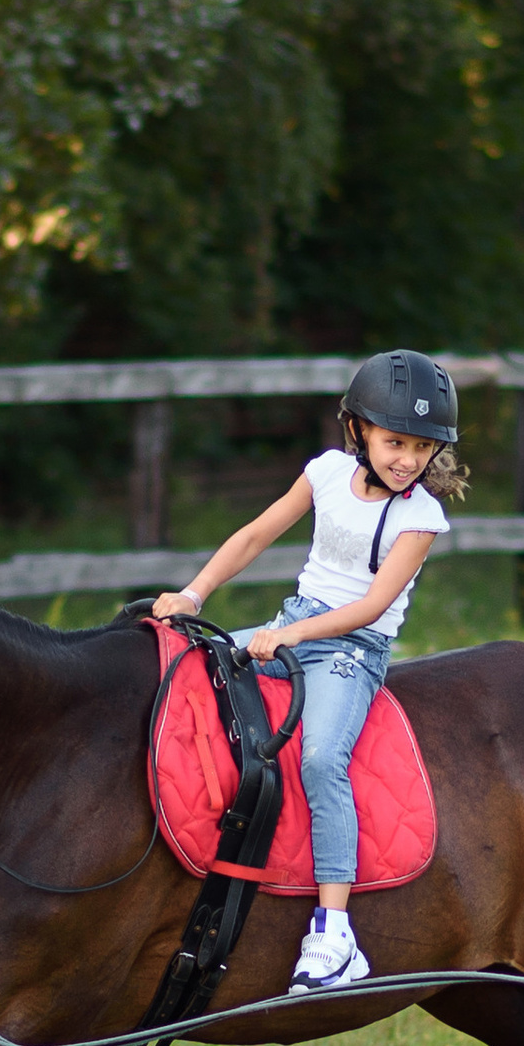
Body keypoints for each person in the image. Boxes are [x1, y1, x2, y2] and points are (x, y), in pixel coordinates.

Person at [151, 349, 470, 992]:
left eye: (421, 448)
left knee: (323, 757)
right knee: (187, 664)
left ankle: (334, 933)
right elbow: (254, 535)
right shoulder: (325, 473)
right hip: (295, 620)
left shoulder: (420, 517)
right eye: (394, 442)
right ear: (358, 431)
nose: (407, 459)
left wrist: (289, 635)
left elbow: (373, 604)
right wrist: (194, 593)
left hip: (353, 649)